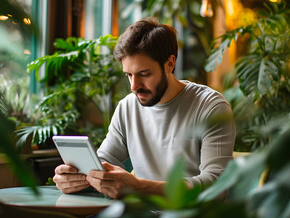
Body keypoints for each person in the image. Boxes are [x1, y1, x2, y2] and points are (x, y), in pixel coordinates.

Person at [53, 17, 235, 199]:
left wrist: (139, 187)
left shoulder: (211, 107)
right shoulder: (127, 107)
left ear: (170, 64)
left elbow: (216, 187)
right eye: (129, 75)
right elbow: (103, 161)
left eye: (144, 74)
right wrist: (77, 178)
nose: (134, 86)